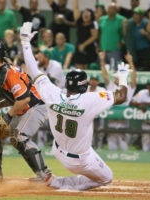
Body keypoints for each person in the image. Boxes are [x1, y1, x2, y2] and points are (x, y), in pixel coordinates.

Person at [20, 21, 129, 190]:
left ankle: (54, 180)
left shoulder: (52, 93)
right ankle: (59, 184)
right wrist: (122, 78)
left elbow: (33, 69)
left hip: (58, 151)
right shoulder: (89, 99)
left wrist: (25, 43)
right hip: (80, 159)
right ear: (84, 86)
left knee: (87, 150)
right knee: (107, 178)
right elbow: (122, 96)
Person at [0, 40, 51, 182]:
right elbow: (16, 97)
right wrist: (0, 105)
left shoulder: (9, 73)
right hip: (25, 107)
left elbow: (24, 99)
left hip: (36, 106)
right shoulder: (0, 72)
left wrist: (8, 117)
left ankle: (45, 175)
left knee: (20, 136)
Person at [100, 52, 137, 151]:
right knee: (111, 148)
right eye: (116, 76)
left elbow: (134, 78)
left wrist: (130, 62)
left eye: (119, 76)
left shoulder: (128, 87)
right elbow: (105, 75)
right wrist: (102, 60)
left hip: (123, 123)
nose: (116, 78)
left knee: (124, 148)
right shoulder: (111, 86)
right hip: (112, 123)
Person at [99, 3, 126, 70]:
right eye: (109, 8)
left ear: (116, 11)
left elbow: (124, 34)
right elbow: (99, 33)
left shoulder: (122, 19)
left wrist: (122, 41)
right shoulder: (102, 19)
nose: (110, 10)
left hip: (115, 50)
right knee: (103, 70)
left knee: (115, 70)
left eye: (112, 9)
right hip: (103, 49)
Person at [125, 7, 150, 71]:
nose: (135, 17)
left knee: (145, 69)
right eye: (134, 15)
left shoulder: (146, 23)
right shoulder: (132, 24)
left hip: (145, 51)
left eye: (137, 15)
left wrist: (145, 33)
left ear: (141, 16)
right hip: (136, 51)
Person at [72, 0, 98, 70]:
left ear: (91, 16)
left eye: (88, 13)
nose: (85, 14)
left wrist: (84, 45)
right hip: (79, 49)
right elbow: (76, 8)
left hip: (89, 49)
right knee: (79, 70)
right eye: (84, 13)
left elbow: (94, 36)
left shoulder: (93, 24)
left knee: (87, 70)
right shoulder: (79, 22)